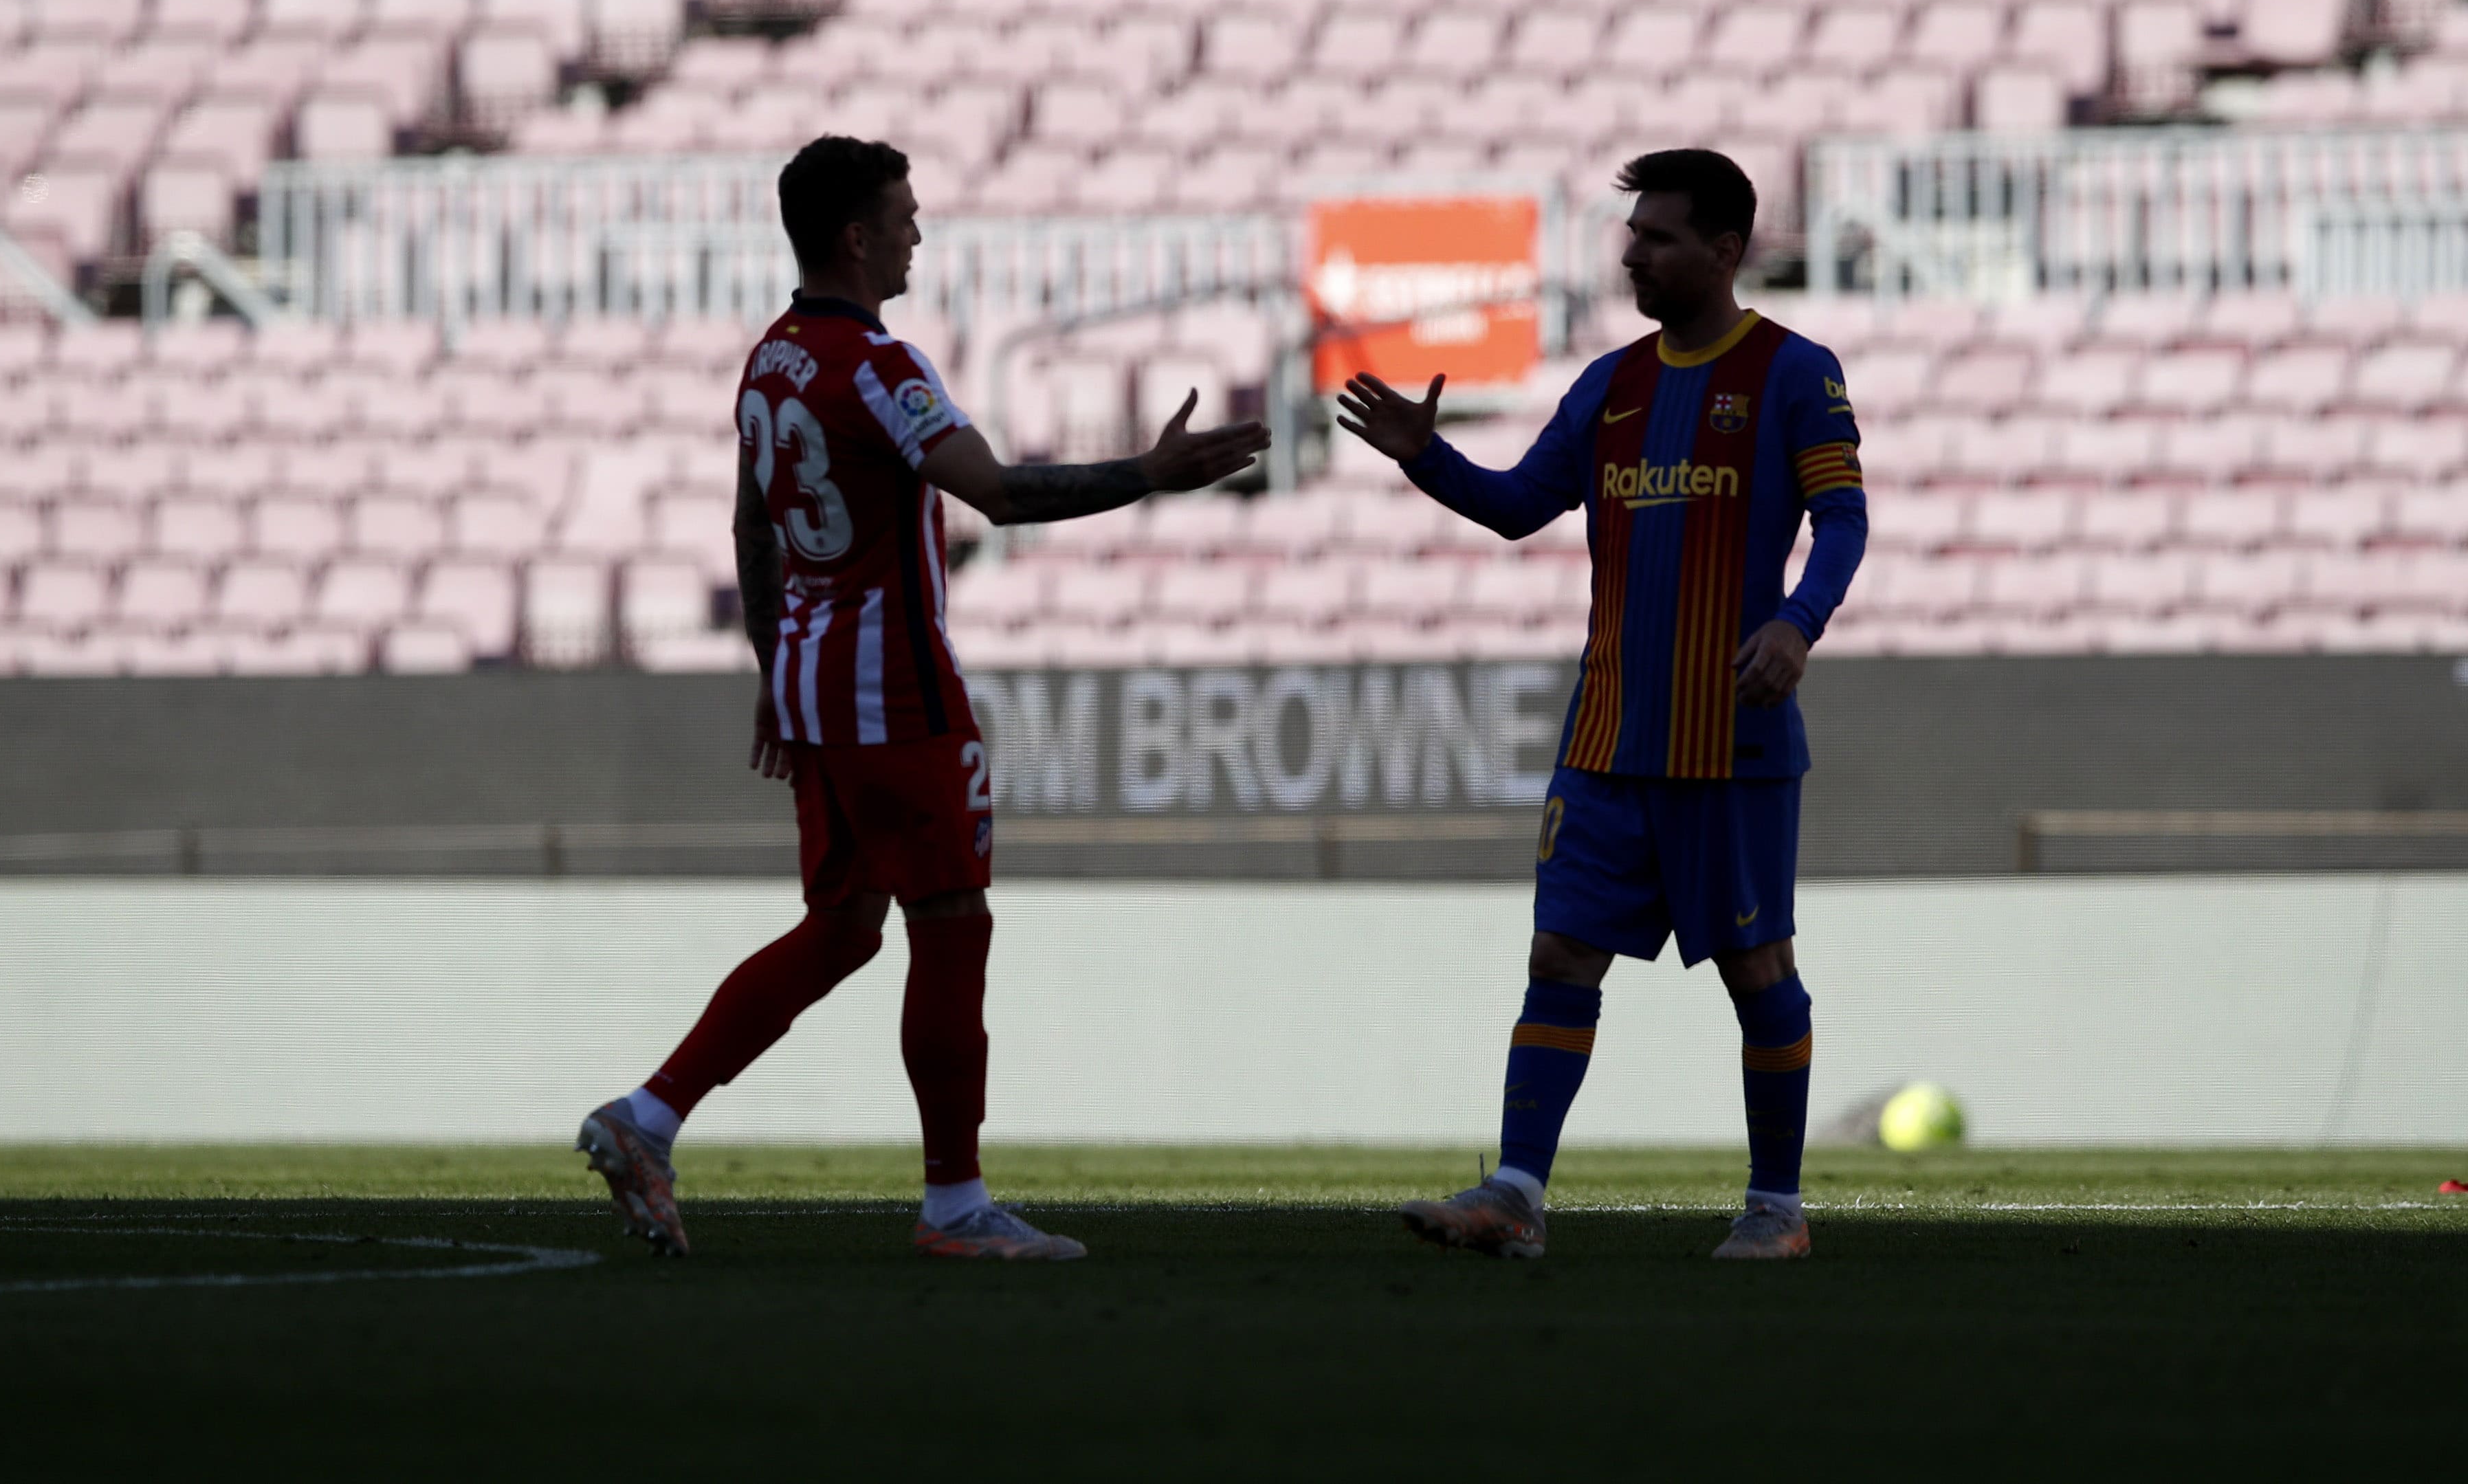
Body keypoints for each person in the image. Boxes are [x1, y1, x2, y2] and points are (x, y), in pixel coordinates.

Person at [578, 135, 1270, 1261]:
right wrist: (1147, 474)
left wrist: (770, 665)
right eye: (905, 213)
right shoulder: (878, 366)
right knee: (951, 919)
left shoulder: (771, 360)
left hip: (811, 684)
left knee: (845, 927)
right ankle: (956, 1203)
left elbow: (755, 525)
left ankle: (647, 1116)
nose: (918, 231)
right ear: (855, 234)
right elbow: (992, 492)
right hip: (894, 690)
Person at [1335, 148, 1866, 1262]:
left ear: (1725, 250)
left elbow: (1845, 520)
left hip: (1732, 740)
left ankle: (1778, 1207)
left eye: (1659, 236)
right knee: (1561, 956)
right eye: (1632, 234)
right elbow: (1521, 505)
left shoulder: (1793, 371)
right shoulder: (1610, 386)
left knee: (1757, 969)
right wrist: (1428, 459)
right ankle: (1517, 1194)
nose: (1633, 251)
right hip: (1609, 737)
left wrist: (1796, 621)